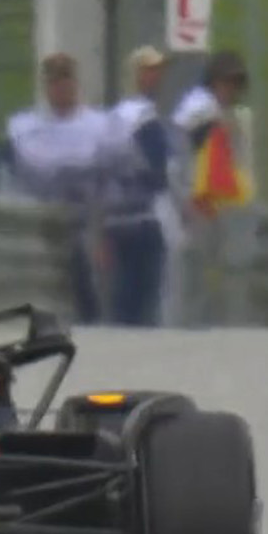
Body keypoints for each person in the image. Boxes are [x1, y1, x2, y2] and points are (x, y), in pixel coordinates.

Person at [3, 53, 113, 325]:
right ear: (46, 86)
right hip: (40, 220)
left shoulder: (99, 125)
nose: (61, 87)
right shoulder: (24, 127)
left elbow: (106, 177)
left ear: (75, 83)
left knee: (85, 283)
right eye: (55, 81)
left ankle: (93, 321)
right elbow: (22, 170)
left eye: (66, 80)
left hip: (85, 220)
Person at [172, 49, 258, 326]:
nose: (230, 89)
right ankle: (192, 324)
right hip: (197, 202)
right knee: (198, 269)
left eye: (235, 83)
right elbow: (190, 159)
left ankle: (219, 324)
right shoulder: (200, 110)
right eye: (225, 82)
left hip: (220, 204)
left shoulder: (229, 114)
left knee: (222, 270)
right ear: (213, 82)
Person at [99, 45, 179, 325]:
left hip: (116, 218)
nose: (158, 77)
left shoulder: (113, 117)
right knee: (146, 297)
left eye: (159, 71)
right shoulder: (144, 117)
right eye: (150, 71)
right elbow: (160, 169)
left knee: (124, 295)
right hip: (145, 217)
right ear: (136, 76)